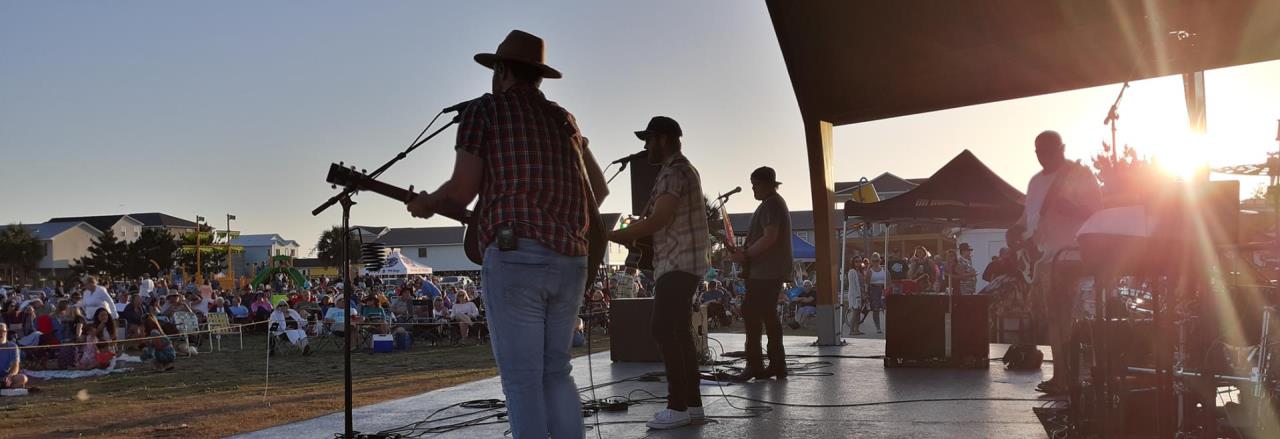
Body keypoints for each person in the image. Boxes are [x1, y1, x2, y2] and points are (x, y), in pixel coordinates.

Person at [404, 30, 607, 439]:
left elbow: (461, 191)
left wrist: (428, 203)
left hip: (518, 257)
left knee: (521, 381)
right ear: (538, 76)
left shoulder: (486, 111)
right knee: (556, 372)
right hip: (572, 260)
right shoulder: (564, 119)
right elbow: (598, 190)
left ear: (500, 70)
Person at [607, 116, 710, 429]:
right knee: (678, 331)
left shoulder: (675, 170)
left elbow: (661, 218)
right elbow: (658, 218)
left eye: (648, 140)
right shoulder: (676, 171)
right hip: (681, 262)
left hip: (678, 262)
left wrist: (617, 236)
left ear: (663, 139)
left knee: (664, 328)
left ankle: (676, 406)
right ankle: (692, 405)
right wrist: (636, 228)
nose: (645, 146)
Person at [1009, 130, 1101, 395]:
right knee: (1055, 322)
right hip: (1046, 260)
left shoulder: (1079, 175)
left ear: (1062, 148)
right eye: (1039, 152)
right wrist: (1015, 230)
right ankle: (1063, 376)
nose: (1044, 157)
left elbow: (1097, 212)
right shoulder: (1035, 182)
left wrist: (1075, 210)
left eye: (1050, 151)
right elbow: (1029, 219)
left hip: (1072, 256)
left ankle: (1073, 378)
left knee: (1068, 320)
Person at [728, 166, 793, 382]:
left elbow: (770, 236)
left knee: (751, 313)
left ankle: (754, 365)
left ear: (766, 184)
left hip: (766, 272)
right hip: (769, 271)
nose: (753, 189)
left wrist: (745, 254)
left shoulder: (771, 204)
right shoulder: (774, 203)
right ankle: (776, 364)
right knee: (768, 316)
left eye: (755, 185)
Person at [0, 323, 29, 390]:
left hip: (6, 376)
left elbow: (15, 366)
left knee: (23, 378)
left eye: (3, 331)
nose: (1, 333)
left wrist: (9, 376)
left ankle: (4, 385)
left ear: (6, 332)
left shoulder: (13, 346)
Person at [864, 253, 887, 334]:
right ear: (871, 262)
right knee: (876, 310)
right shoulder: (870, 271)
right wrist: (866, 294)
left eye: (877, 260)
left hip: (884, 289)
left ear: (880, 260)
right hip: (874, 290)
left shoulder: (884, 269)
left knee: (886, 308)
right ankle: (878, 327)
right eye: (873, 261)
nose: (875, 262)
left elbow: (889, 280)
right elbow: (866, 283)